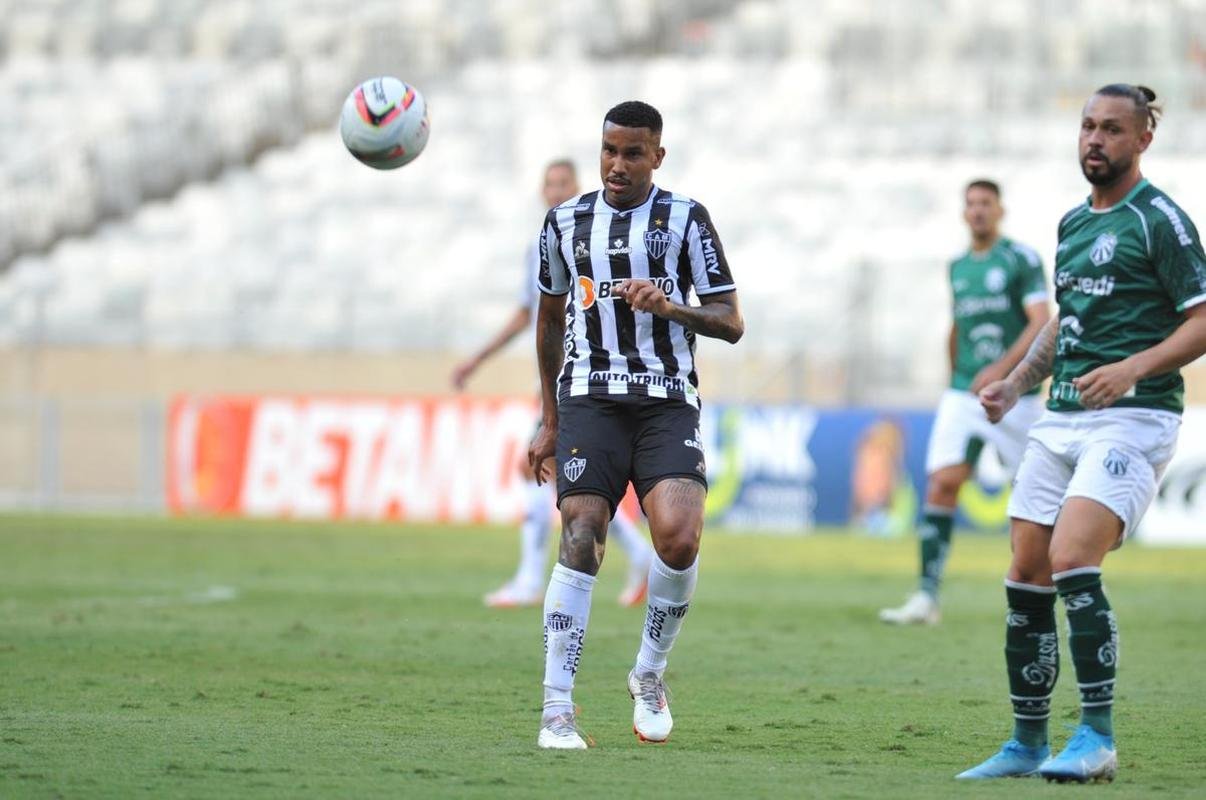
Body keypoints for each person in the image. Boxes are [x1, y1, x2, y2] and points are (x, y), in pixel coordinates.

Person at [958, 84, 1206, 782]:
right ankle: (1027, 742)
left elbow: (1202, 318)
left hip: (1135, 417)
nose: (1095, 140)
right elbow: (1063, 328)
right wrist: (1015, 383)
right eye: (1088, 127)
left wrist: (1133, 367)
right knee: (1026, 573)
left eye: (1112, 130)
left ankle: (1096, 737)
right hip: (1059, 416)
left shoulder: (1161, 221)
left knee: (1072, 558)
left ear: (1142, 140)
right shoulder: (1073, 224)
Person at [527, 100, 743, 749]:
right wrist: (548, 416)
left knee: (677, 538)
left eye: (632, 152)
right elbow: (548, 320)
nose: (617, 165)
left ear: (657, 155)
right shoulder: (565, 222)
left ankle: (649, 673)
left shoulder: (685, 219)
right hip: (589, 398)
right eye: (609, 150)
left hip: (665, 400)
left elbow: (731, 321)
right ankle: (557, 707)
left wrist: (671, 307)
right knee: (583, 533)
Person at [451, 160, 653, 609]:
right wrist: (477, 360)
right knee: (564, 478)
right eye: (550, 185)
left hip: (588, 376)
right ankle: (639, 557)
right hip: (560, 378)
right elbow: (532, 314)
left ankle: (529, 579)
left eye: (564, 184)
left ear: (578, 188)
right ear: (542, 192)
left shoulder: (596, 237)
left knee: (540, 469)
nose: (556, 192)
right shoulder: (540, 246)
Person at [880, 180, 1050, 624]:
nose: (977, 211)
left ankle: (1054, 583)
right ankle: (926, 596)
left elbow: (1040, 322)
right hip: (963, 392)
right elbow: (957, 324)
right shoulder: (957, 267)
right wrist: (955, 374)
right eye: (971, 204)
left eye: (985, 204)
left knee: (1037, 493)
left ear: (1000, 210)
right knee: (942, 484)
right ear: (963, 213)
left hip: (1020, 396)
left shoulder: (1021, 259)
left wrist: (1005, 372)